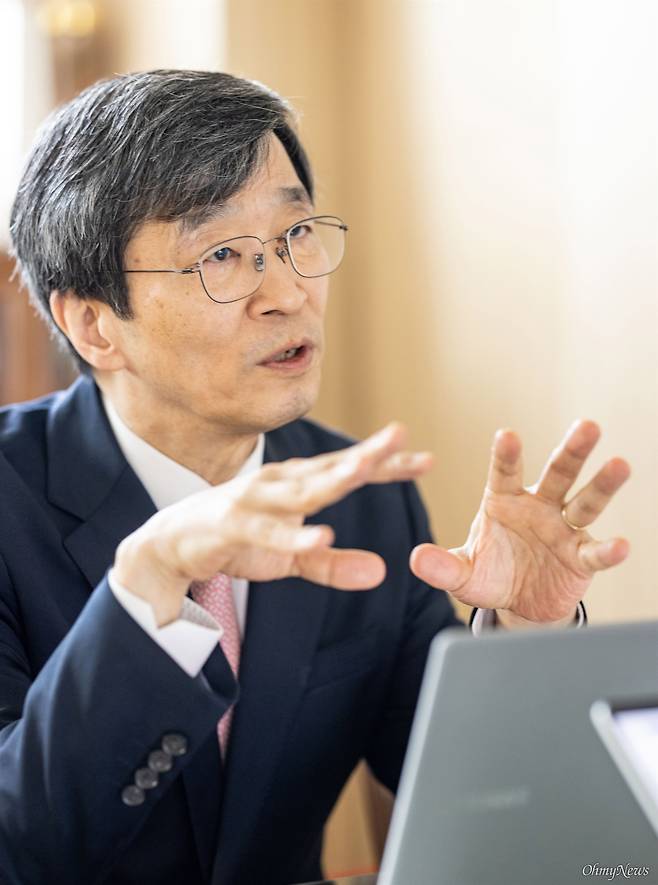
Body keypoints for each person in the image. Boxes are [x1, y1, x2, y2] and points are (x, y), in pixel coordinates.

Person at [0, 70, 630, 885]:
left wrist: (520, 633)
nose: (289, 292)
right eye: (221, 255)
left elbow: (481, 804)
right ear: (93, 323)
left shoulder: (365, 499)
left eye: (296, 234)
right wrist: (147, 587)